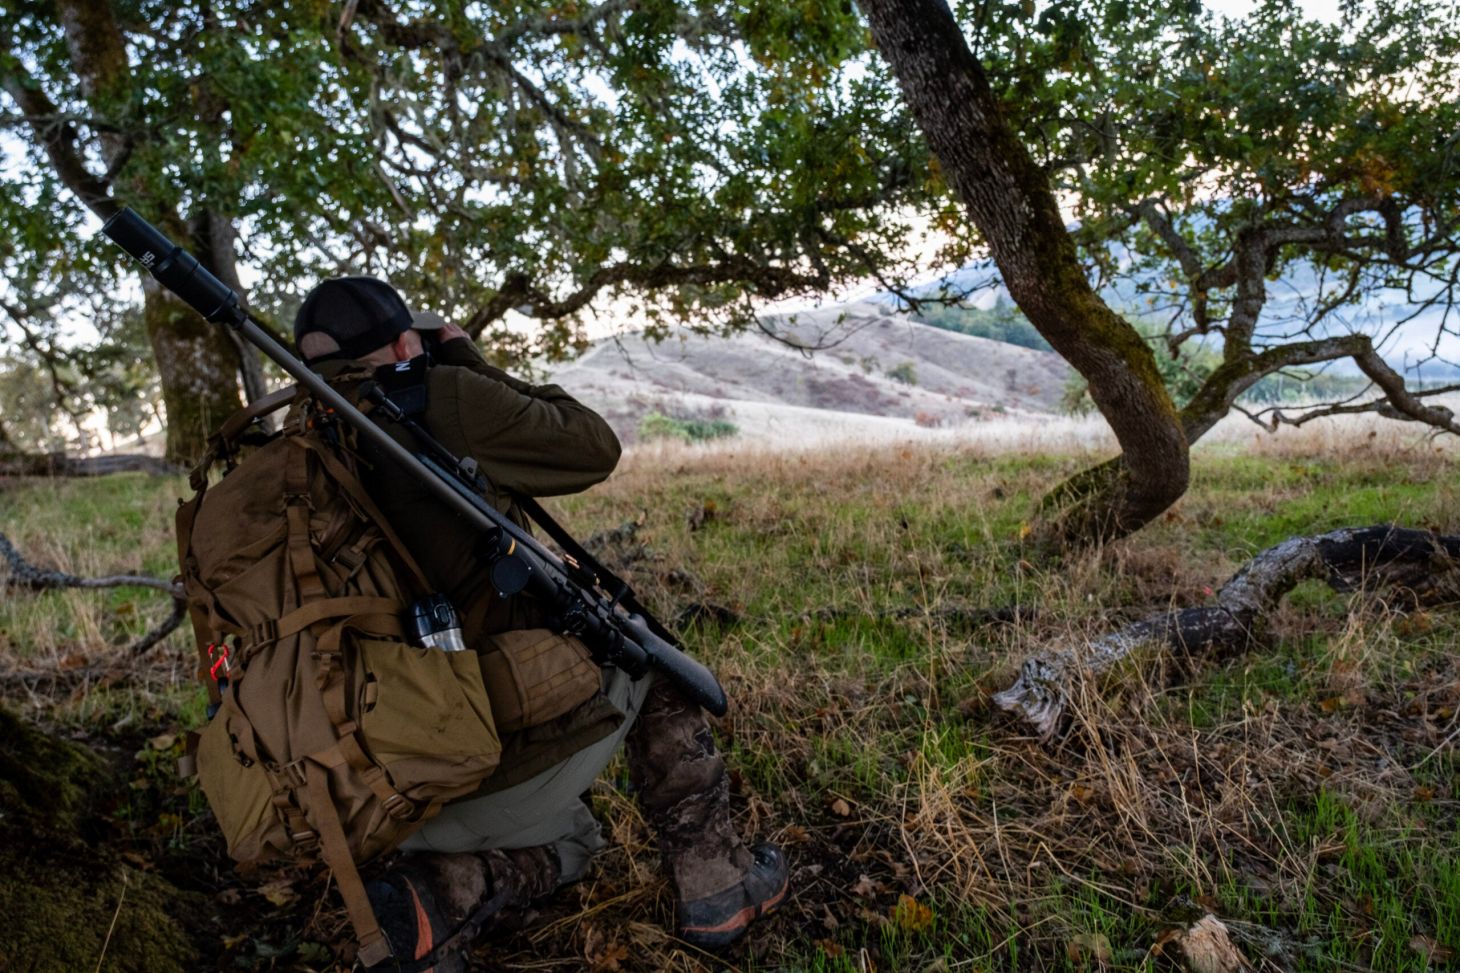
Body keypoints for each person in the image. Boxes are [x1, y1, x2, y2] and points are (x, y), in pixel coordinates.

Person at [292, 277, 787, 972]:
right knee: (644, 655)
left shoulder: (294, 446)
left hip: (356, 791)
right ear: (406, 345)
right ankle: (720, 886)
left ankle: (431, 894)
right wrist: (466, 361)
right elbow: (592, 444)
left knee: (578, 834)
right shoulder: (439, 399)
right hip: (471, 759)